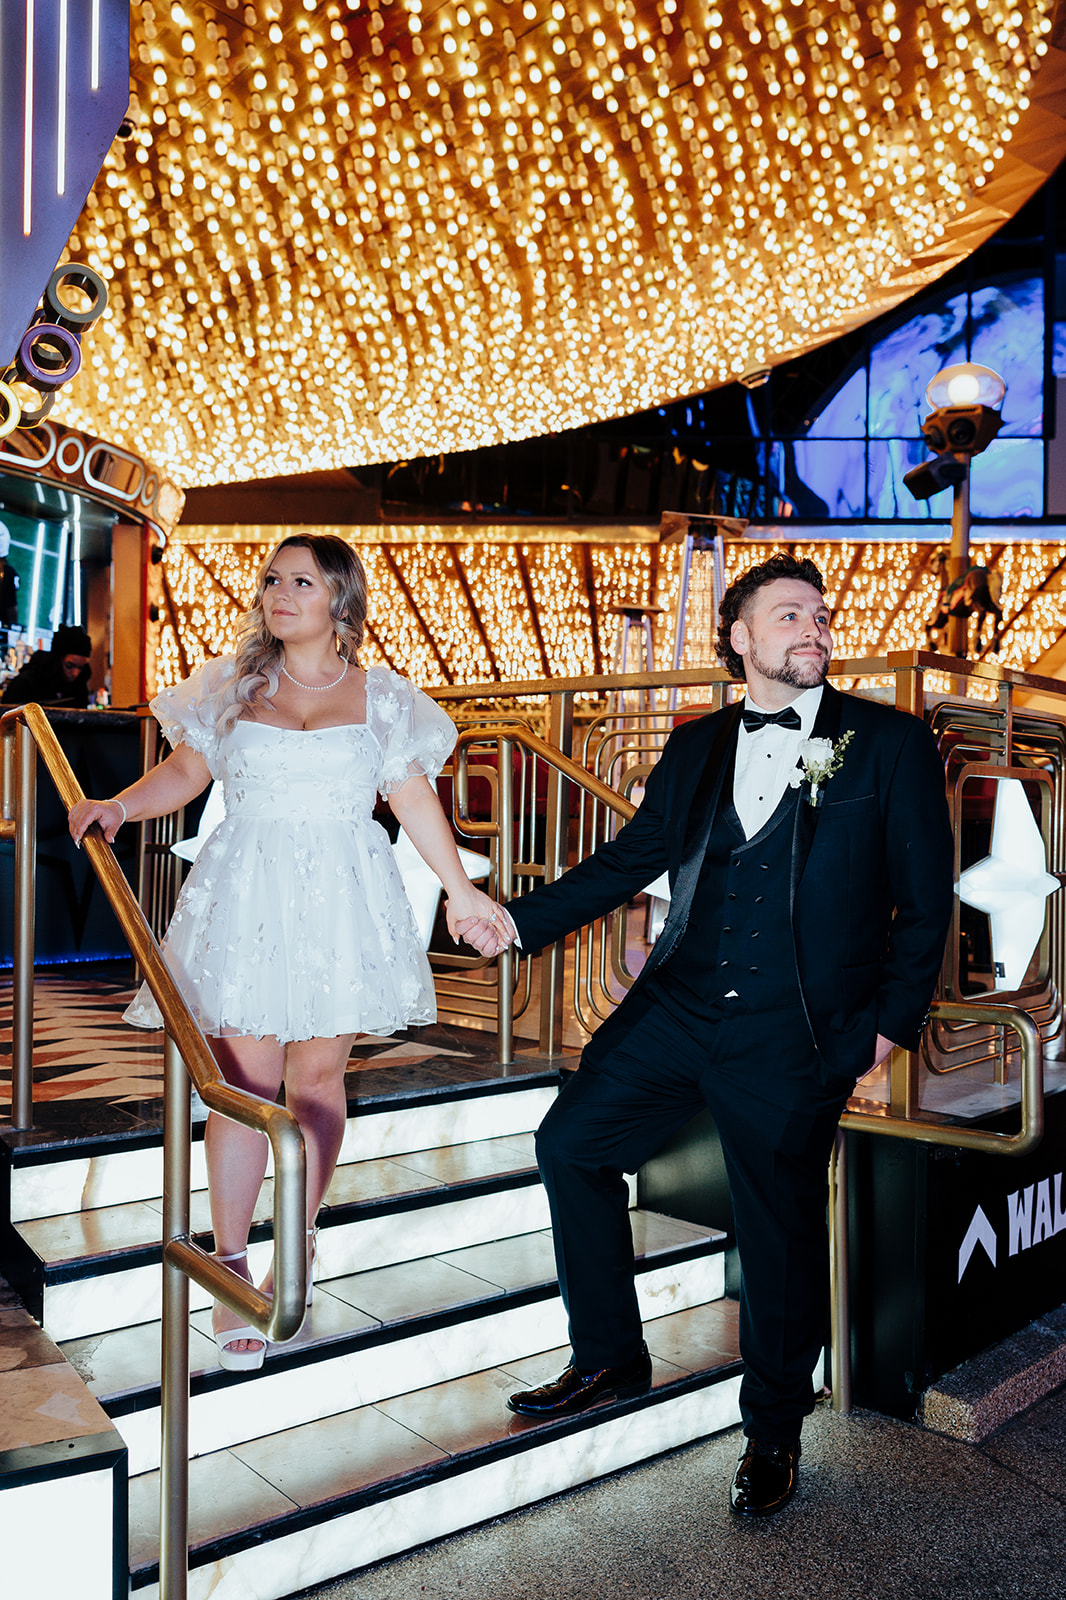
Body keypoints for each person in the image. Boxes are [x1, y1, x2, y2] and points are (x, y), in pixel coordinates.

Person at [458, 552, 954, 1516]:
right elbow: (630, 859)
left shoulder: (888, 744)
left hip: (799, 1029)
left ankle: (772, 1430)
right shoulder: (693, 746)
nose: (813, 629)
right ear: (739, 639)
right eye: (788, 616)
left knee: (776, 1233)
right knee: (570, 1144)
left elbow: (926, 907)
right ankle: (608, 1356)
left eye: (820, 615)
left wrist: (888, 1032)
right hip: (678, 1008)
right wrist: (517, 921)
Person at [69, 534, 500, 1371]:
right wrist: (120, 805)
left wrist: (462, 888)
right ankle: (230, 1259)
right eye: (271, 579)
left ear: (341, 600)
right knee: (241, 1084)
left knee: (315, 1081)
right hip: (247, 892)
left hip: (342, 897)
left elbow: (412, 798)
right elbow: (188, 771)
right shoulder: (232, 686)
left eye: (300, 581)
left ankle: (295, 1240)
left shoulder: (384, 699)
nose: (278, 592)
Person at [2, 623, 93, 706]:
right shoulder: (28, 681)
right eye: (69, 666)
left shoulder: (79, 687)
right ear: (58, 660)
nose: (75, 673)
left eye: (81, 668)